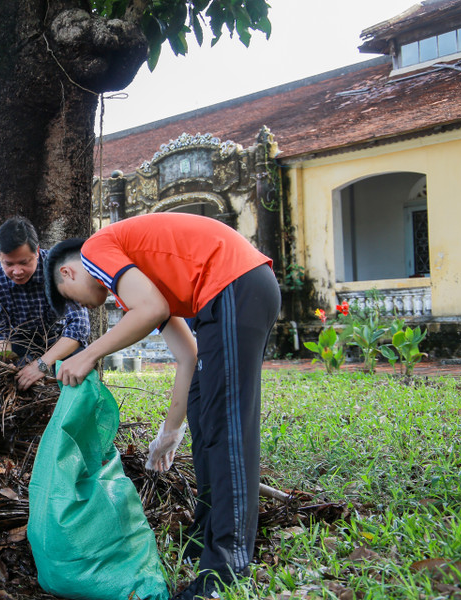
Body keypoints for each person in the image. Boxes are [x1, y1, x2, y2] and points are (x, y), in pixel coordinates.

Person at [44, 212, 280, 600]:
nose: (82, 307)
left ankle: (226, 570)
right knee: (205, 415)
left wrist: (87, 355)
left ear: (68, 273)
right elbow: (187, 355)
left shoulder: (95, 249)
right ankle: (203, 537)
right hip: (227, 295)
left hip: (235, 285)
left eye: (71, 299)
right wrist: (170, 432)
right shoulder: (136, 282)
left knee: (227, 428)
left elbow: (150, 310)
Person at [0, 216, 90, 390]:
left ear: (36, 251)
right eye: (9, 264)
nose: (17, 271)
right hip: (18, 342)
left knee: (81, 375)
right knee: (6, 384)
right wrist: (6, 364)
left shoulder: (60, 271)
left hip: (59, 338)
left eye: (24, 262)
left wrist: (41, 365)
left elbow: (79, 327)